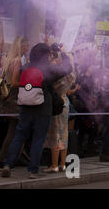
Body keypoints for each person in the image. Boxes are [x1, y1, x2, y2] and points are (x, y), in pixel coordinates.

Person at [1, 43, 72, 179]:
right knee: (38, 139)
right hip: (42, 108)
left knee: (19, 136)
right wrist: (62, 53)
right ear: (46, 55)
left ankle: (7, 165)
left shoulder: (25, 67)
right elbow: (67, 69)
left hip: (25, 106)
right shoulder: (48, 69)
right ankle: (33, 170)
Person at [43, 45, 76, 173]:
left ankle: (54, 165)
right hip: (65, 102)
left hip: (56, 103)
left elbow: (52, 86)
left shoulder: (59, 75)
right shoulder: (70, 75)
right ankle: (63, 164)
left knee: (55, 134)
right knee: (64, 133)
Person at [0, 36, 29, 167]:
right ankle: (7, 158)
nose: (28, 48)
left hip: (9, 98)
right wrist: (28, 83)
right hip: (15, 98)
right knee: (16, 131)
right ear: (21, 46)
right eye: (27, 45)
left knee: (14, 130)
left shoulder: (9, 60)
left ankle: (9, 157)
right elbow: (15, 82)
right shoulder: (17, 61)